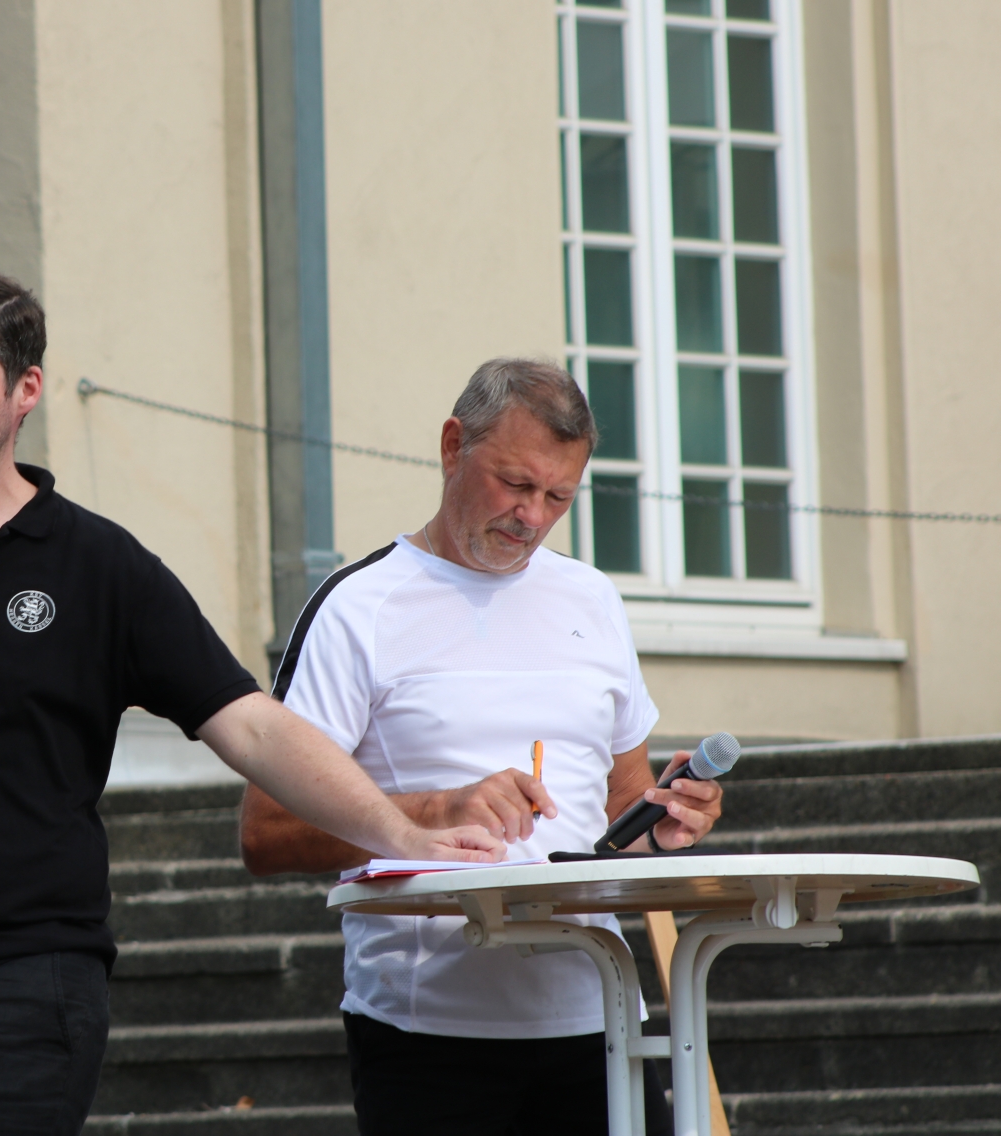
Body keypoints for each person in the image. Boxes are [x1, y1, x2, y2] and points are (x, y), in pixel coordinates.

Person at [0, 267, 501, 1135]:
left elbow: (250, 725)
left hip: (14, 986)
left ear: (26, 390)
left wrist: (400, 833)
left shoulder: (95, 564)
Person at [239, 358, 724, 1136]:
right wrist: (435, 811)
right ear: (452, 446)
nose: (532, 516)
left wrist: (664, 822)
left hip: (597, 1017)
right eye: (514, 484)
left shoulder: (592, 599)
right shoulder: (358, 607)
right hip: (427, 1031)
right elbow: (267, 832)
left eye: (559, 497)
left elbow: (621, 810)